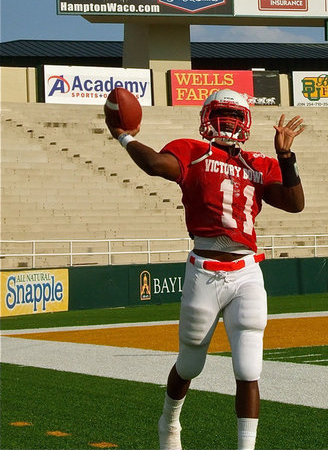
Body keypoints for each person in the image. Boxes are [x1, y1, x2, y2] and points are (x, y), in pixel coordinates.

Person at [106, 89, 305, 450]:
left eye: (234, 115)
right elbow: (154, 164)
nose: (227, 122)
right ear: (206, 117)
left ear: (245, 123)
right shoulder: (192, 152)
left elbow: (294, 204)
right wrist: (124, 137)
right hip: (204, 271)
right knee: (190, 364)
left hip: (246, 272)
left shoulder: (259, 163)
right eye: (221, 114)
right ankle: (169, 421)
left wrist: (286, 156)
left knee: (248, 369)